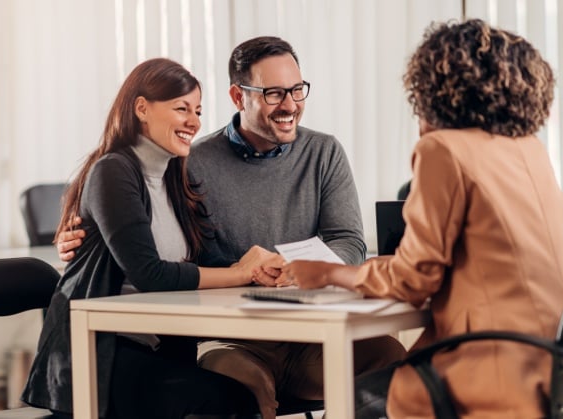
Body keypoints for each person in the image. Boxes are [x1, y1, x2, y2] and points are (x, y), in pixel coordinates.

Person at [57, 37, 406, 419]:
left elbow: (348, 241)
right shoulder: (188, 160)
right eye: (273, 93)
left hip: (314, 335)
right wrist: (86, 238)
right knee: (238, 392)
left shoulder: (324, 152)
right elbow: (160, 235)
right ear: (239, 97)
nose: (290, 105)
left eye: (296, 90)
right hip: (231, 337)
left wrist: (303, 270)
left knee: (393, 360)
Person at [280, 19, 563, 418]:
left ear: (434, 86)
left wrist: (328, 274)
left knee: (352, 403)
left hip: (491, 366)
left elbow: (413, 282)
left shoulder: (443, 150)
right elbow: (485, 260)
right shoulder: (528, 149)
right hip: (555, 364)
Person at [22, 57, 281, 419]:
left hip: (157, 348)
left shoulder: (174, 177)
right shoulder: (113, 171)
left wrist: (259, 267)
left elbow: (201, 261)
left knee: (237, 397)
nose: (194, 120)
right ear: (142, 108)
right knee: (229, 402)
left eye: (198, 110)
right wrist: (240, 273)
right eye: (181, 108)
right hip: (103, 355)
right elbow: (150, 274)